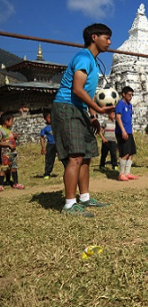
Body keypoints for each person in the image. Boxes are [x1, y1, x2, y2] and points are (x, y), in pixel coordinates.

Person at [52, 23, 114, 216]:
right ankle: (70, 204)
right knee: (75, 157)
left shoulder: (94, 63)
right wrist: (98, 108)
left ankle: (85, 198)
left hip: (81, 110)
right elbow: (77, 89)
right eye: (107, 37)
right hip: (67, 107)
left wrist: (93, 116)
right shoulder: (83, 57)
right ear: (94, 37)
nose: (110, 42)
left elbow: (86, 93)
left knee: (86, 156)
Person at [116, 86, 138, 181]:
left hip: (129, 131)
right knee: (125, 152)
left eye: (132, 95)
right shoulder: (120, 104)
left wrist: (131, 130)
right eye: (129, 94)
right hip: (122, 131)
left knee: (131, 152)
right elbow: (118, 117)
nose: (131, 96)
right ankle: (121, 174)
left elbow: (129, 119)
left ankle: (127, 172)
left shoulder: (129, 105)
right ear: (123, 94)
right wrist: (123, 130)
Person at [0, 113, 24, 190]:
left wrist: (15, 137)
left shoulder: (9, 131)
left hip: (13, 153)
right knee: (4, 168)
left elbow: (11, 140)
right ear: (6, 121)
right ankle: (1, 184)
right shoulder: (1, 131)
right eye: (11, 121)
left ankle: (15, 183)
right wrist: (8, 145)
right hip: (5, 153)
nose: (12, 122)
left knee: (14, 167)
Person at [40, 110, 57, 179]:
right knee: (49, 159)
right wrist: (43, 147)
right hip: (50, 145)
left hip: (58, 143)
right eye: (49, 117)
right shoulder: (45, 128)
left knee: (65, 158)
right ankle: (47, 173)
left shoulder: (57, 125)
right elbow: (42, 138)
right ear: (45, 118)